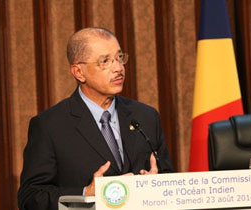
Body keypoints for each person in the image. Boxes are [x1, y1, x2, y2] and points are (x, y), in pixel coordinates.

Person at [18, 27, 173, 210]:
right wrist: (86, 193)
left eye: (119, 58)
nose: (118, 68)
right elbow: (31, 197)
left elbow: (166, 178)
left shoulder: (146, 116)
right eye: (105, 61)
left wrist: (157, 186)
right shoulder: (50, 125)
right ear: (79, 72)